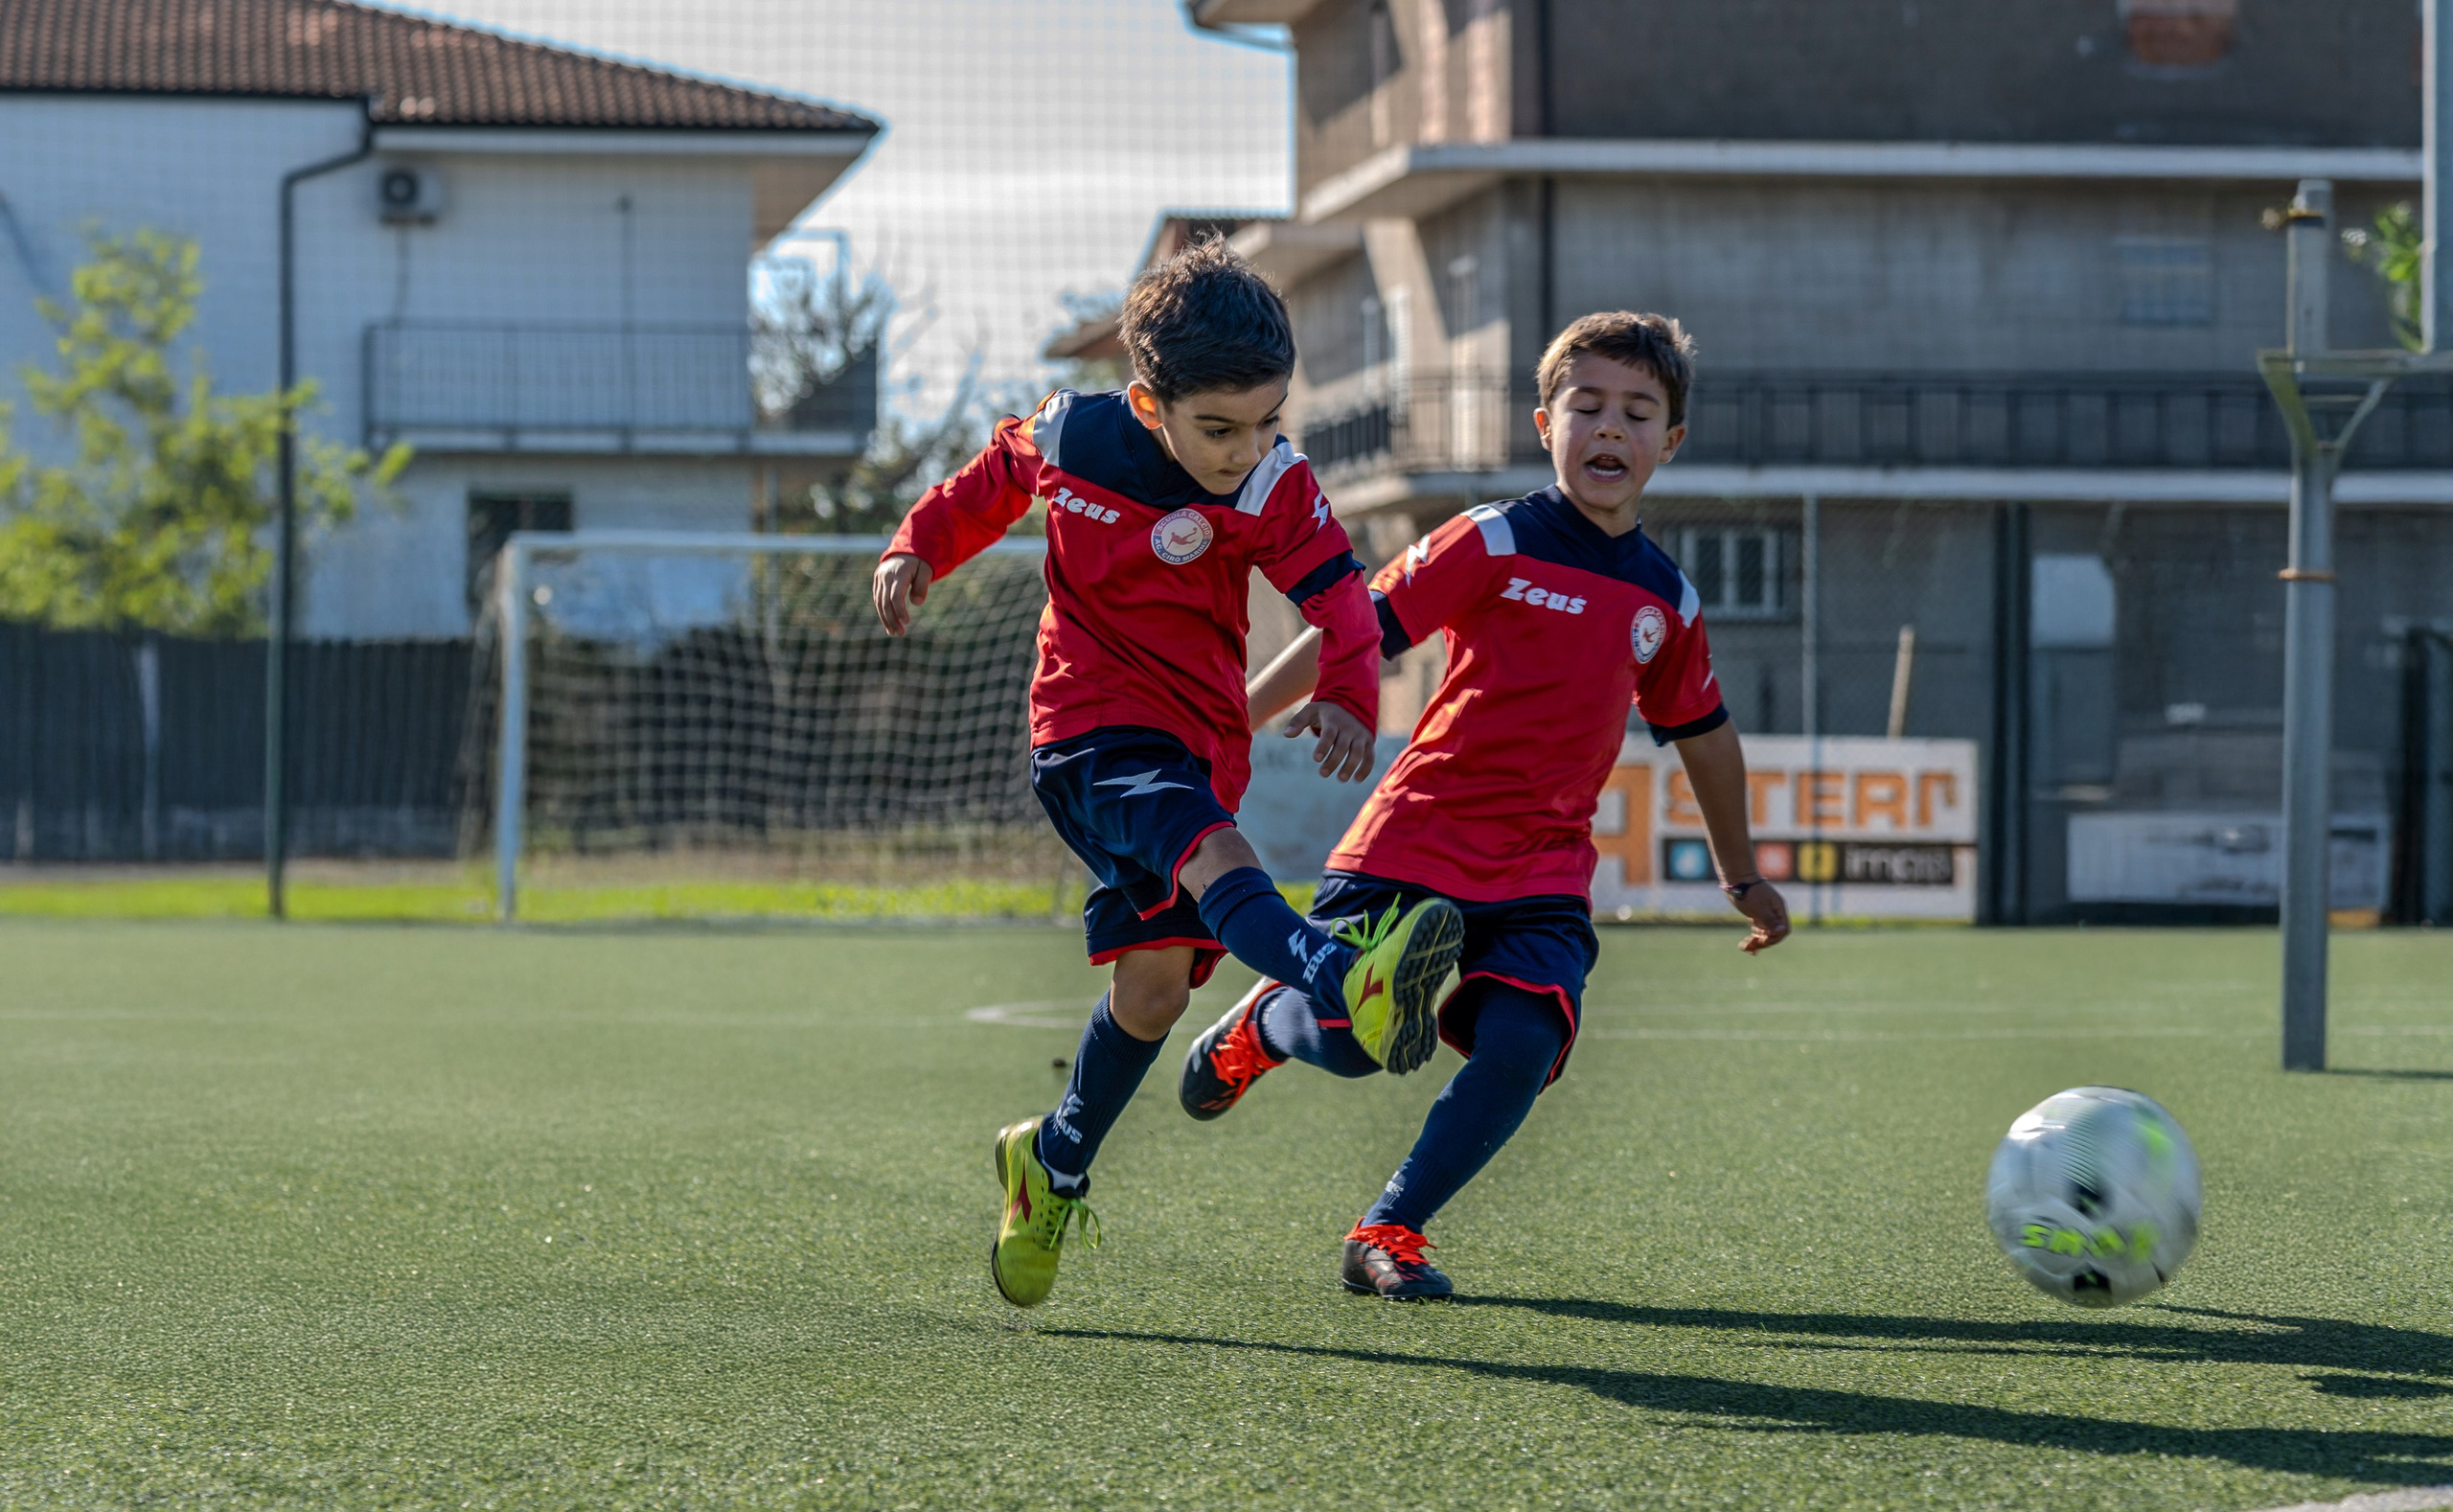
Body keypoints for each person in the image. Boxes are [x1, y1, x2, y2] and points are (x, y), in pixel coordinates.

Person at [872, 241, 1467, 1310]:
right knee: (1214, 852)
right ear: (1149, 405)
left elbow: (1341, 595)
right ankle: (1343, 980)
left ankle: (1049, 1162)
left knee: (1148, 991)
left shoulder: (1274, 481)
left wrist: (1345, 693)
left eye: (1268, 421)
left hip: (1200, 743)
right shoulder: (1073, 433)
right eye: (1219, 428)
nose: (1246, 450)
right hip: (1088, 733)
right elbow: (983, 486)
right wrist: (914, 544)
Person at [1177, 310, 1792, 1300]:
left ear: (1668, 443)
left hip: (1543, 867)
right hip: (1415, 841)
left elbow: (1705, 735)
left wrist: (1743, 872)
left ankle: (1389, 1231)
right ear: (1543, 422)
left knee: (1524, 1042)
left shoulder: (1665, 601)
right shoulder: (1492, 539)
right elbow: (1356, 627)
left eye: (1636, 413)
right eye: (1584, 405)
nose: (1608, 429)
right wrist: (1236, 718)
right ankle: (1265, 1024)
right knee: (1350, 1045)